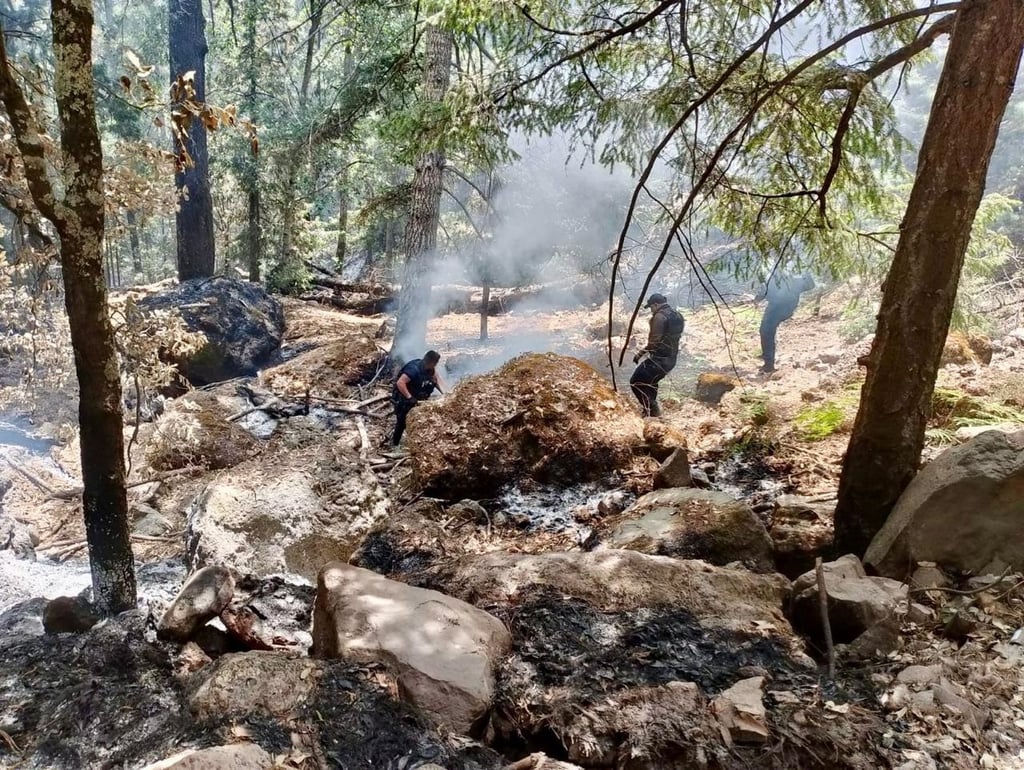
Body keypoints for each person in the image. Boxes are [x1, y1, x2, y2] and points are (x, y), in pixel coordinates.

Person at [630, 293, 685, 417]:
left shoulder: (659, 317)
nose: (651, 310)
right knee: (651, 381)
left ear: (655, 305)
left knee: (635, 381)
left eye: (651, 307)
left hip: (659, 361)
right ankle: (650, 411)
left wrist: (640, 354)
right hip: (671, 360)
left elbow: (654, 342)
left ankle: (653, 409)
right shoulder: (677, 315)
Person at [756, 272, 815, 373]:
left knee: (766, 331)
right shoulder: (795, 280)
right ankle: (767, 355)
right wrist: (806, 273)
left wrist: (756, 299)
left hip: (775, 309)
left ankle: (769, 364)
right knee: (768, 331)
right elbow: (811, 285)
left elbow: (764, 292)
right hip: (788, 309)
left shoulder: (772, 280)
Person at [391, 350, 444, 446]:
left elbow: (436, 380)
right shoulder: (414, 369)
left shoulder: (430, 369)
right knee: (402, 422)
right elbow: (400, 383)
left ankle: (414, 442)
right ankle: (395, 444)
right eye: (435, 363)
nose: (436, 365)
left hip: (419, 399)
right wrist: (409, 397)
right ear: (430, 361)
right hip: (404, 399)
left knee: (419, 421)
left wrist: (445, 393)